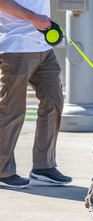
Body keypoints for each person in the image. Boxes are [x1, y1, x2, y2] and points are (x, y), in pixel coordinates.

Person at [0, 0, 72, 189]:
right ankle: (2, 170)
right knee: (11, 110)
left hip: (43, 46)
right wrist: (33, 17)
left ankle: (43, 166)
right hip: (16, 46)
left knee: (54, 101)